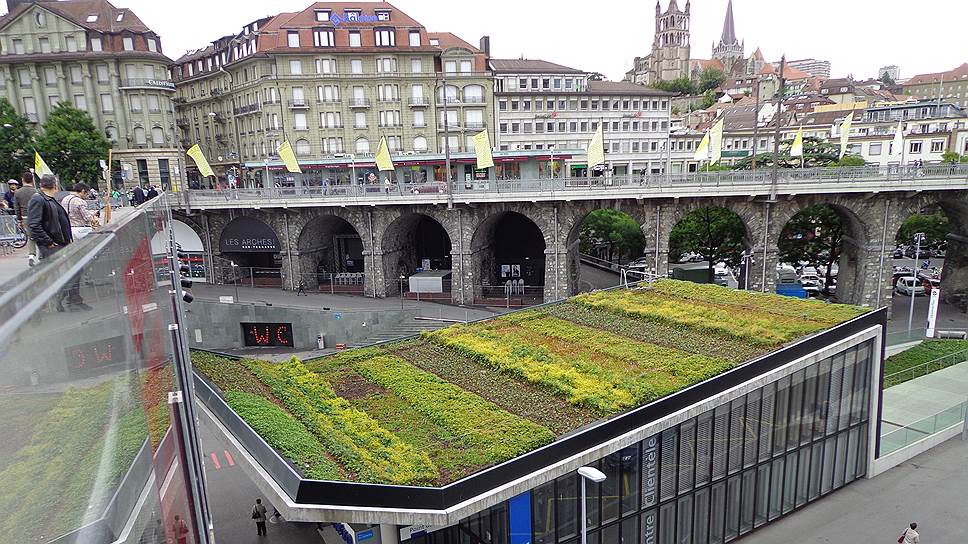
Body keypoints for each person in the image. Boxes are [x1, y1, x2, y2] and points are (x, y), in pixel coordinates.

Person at [13, 172, 38, 266]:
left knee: (30, 236)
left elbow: (16, 207)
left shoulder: (18, 192)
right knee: (40, 234)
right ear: (32, 180)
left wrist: (19, 220)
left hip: (25, 217)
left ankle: (31, 255)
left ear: (22, 180)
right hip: (36, 216)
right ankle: (43, 254)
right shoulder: (36, 191)